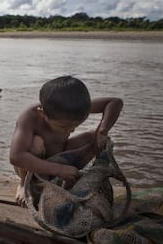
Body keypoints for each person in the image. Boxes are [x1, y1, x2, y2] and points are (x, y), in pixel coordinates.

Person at [9, 76, 123, 207]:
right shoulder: (30, 116)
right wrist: (59, 169)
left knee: (93, 136)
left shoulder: (73, 108)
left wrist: (102, 130)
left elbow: (115, 102)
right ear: (42, 113)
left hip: (60, 154)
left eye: (76, 125)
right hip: (34, 161)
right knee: (36, 143)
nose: (72, 130)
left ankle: (63, 180)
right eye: (63, 127)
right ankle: (24, 184)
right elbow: (16, 157)